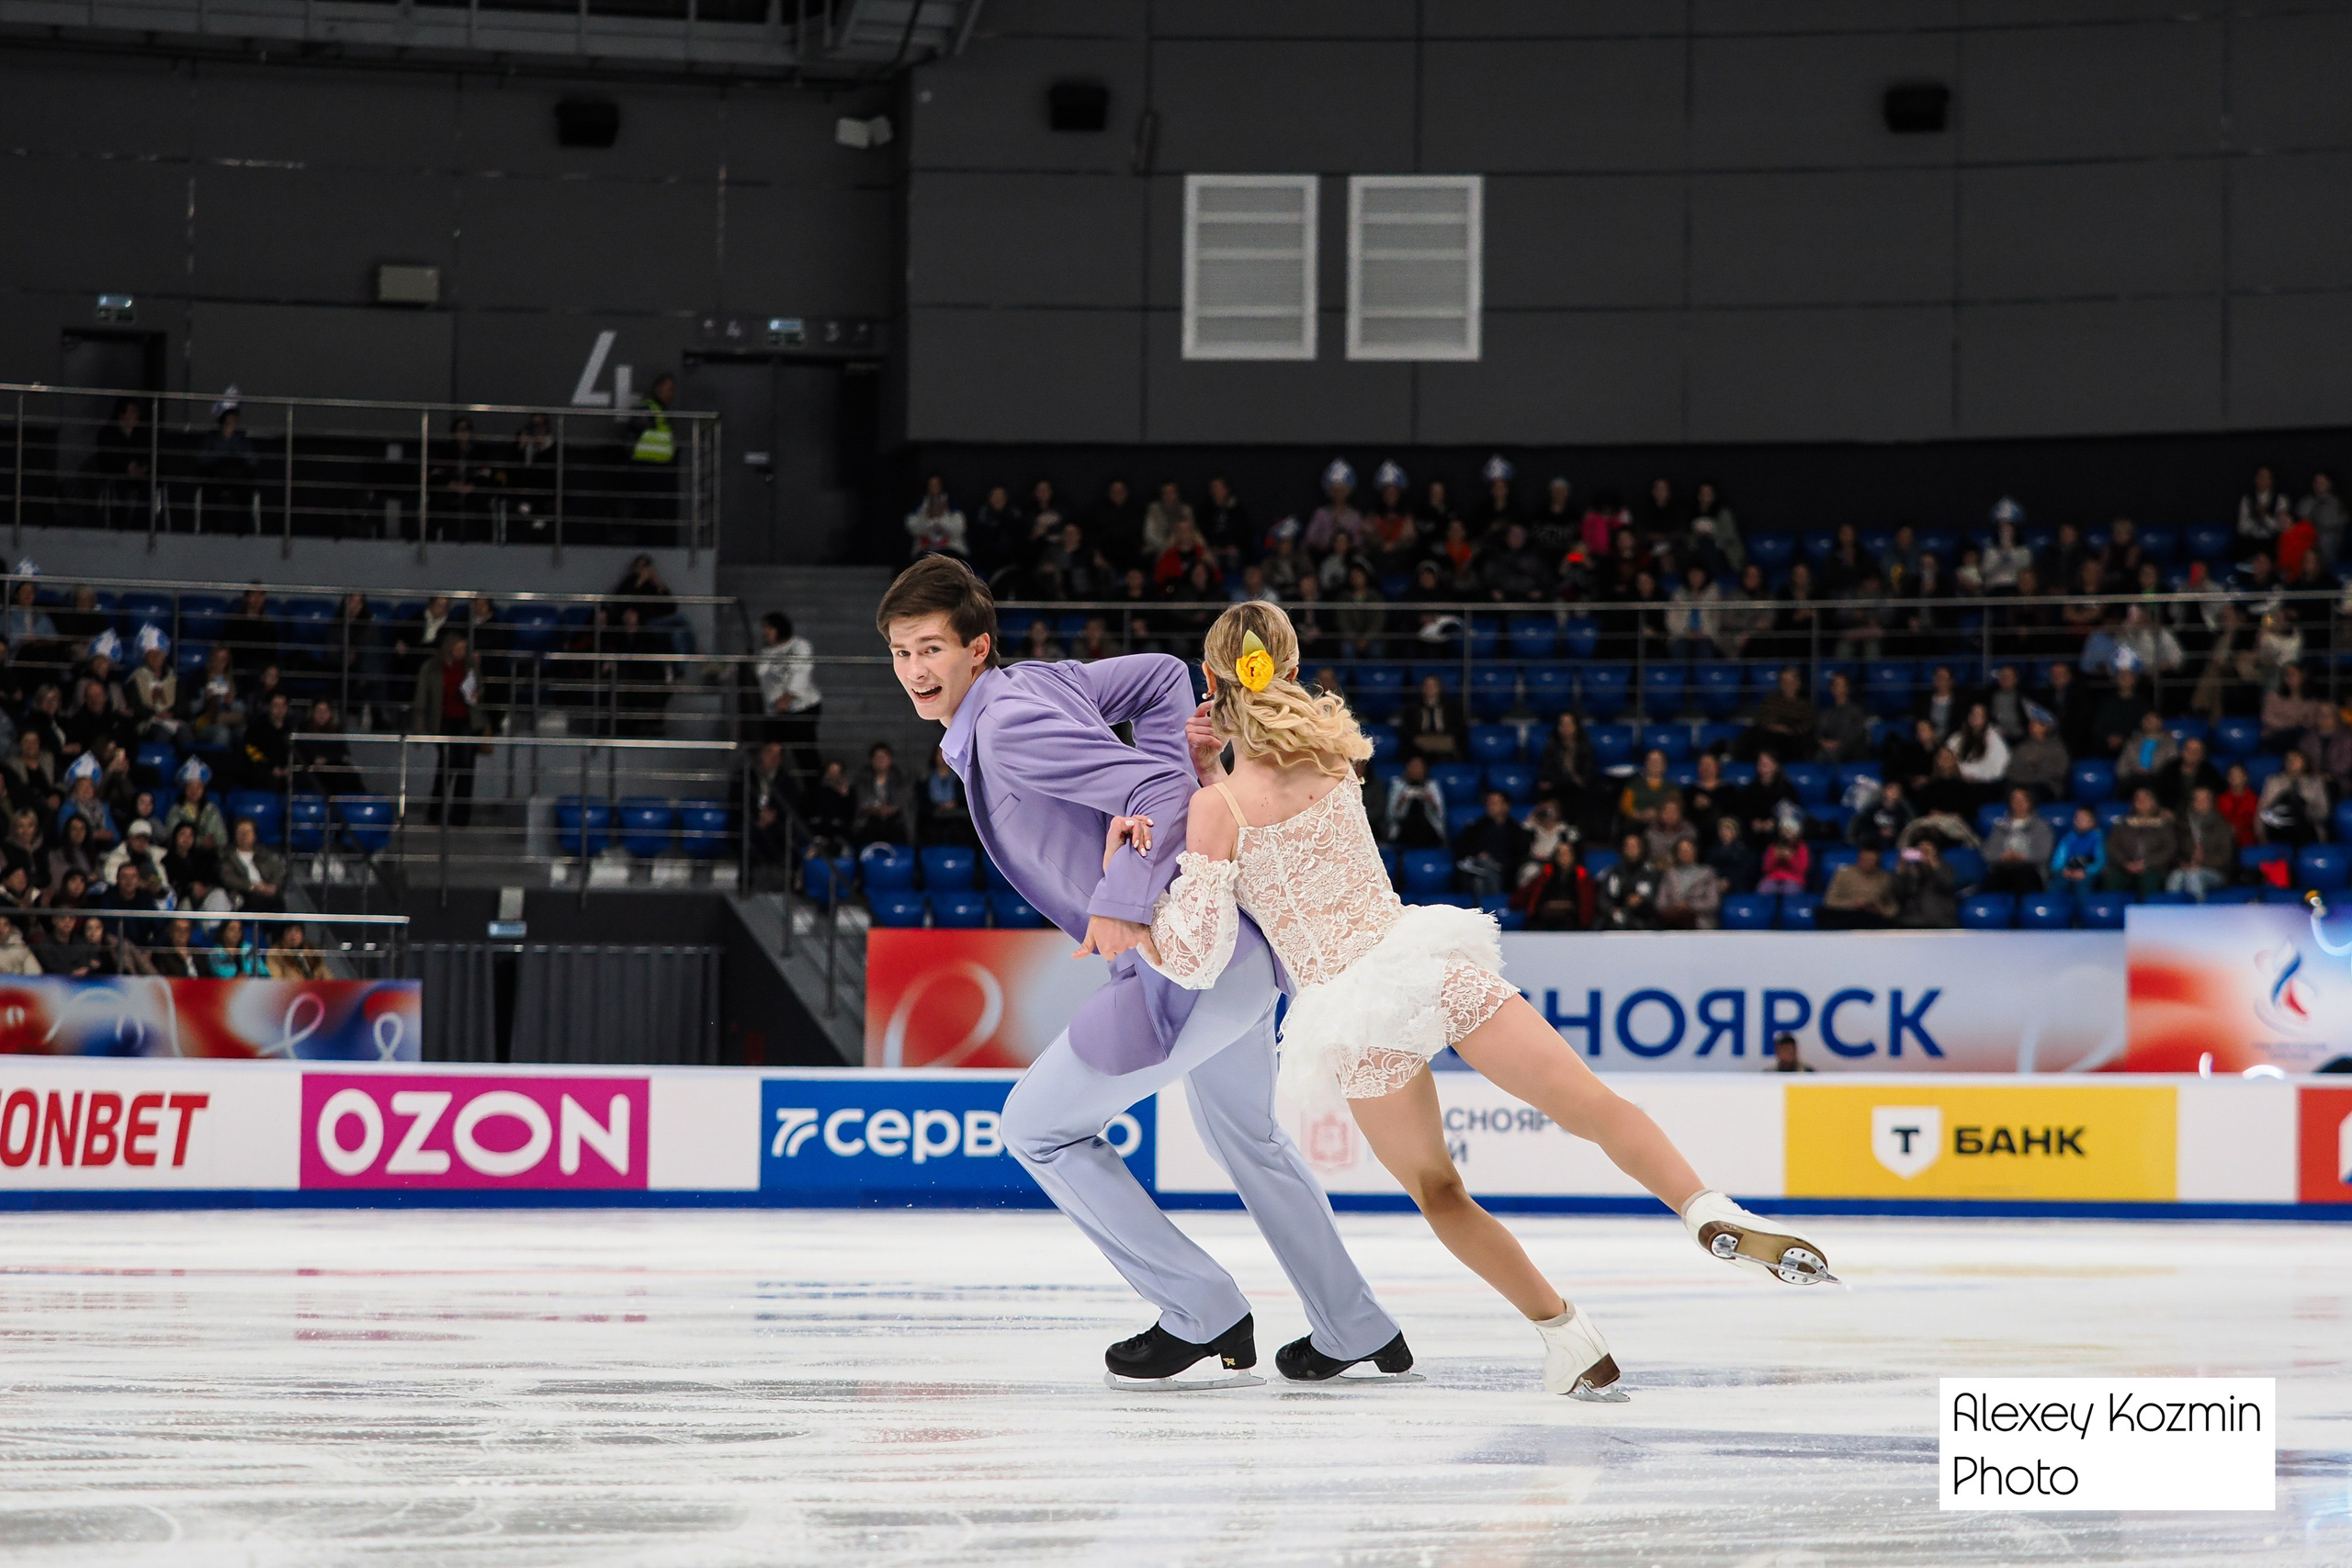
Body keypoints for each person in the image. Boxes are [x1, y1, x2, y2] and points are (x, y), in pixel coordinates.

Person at [1110, 601, 1833, 1398]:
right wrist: (1221, 753)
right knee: (1589, 1101)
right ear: (1290, 665)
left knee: (1440, 1189)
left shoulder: (1215, 807)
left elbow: (1201, 951)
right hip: (1420, 958)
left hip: (1350, 1012)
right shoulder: (1335, 758)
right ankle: (1704, 1206)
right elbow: (1277, 765)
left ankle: (1566, 1333)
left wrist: (1134, 924)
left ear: (1209, 681)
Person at [879, 558, 1411, 1393]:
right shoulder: (1041, 684)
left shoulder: (1009, 720)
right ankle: (1355, 1323)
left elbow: (1156, 788)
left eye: (932, 649)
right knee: (1249, 1135)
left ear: (977, 648)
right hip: (1237, 955)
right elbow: (1166, 678)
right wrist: (1169, 760)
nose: (916, 670)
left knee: (1034, 1126)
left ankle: (1201, 1310)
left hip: (1188, 962)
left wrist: (1124, 896)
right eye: (903, 651)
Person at [411, 630, 489, 829]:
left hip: (466, 720)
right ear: (449, 649)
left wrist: (477, 690)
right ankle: (435, 811)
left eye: (464, 648)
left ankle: (461, 817)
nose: (463, 652)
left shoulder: (469, 665)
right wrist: (418, 731)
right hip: (443, 721)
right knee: (447, 764)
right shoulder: (431, 668)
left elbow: (480, 686)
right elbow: (421, 699)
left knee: (466, 766)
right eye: (459, 648)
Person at [755, 611, 824, 781]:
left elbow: (800, 673)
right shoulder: (767, 653)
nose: (765, 632)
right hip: (775, 711)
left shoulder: (800, 646)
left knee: (804, 754)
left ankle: (814, 791)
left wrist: (786, 698)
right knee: (771, 751)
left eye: (768, 627)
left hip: (802, 708)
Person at [1453, 789, 1531, 897]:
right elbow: (1461, 848)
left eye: (1494, 803)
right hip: (1475, 868)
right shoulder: (1477, 827)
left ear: (1506, 806)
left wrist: (1497, 862)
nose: (1490, 807)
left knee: (1479, 881)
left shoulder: (1515, 830)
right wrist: (1479, 855)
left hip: (1503, 874)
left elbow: (1519, 856)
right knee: (1479, 873)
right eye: (1488, 803)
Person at [1981, 789, 2052, 895]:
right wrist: (2003, 856)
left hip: (2030, 870)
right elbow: (1988, 853)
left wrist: (2022, 857)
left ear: (2030, 802)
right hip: (2004, 869)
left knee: (2023, 876)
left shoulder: (2041, 827)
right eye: (2015, 799)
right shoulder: (2000, 827)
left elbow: (2043, 854)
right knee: (1994, 880)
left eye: (2022, 800)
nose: (2019, 803)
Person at [2169, 787, 2236, 900]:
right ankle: (2171, 913)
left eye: (2205, 800)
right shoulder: (2183, 825)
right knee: (2176, 876)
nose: (2201, 803)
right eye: (2197, 799)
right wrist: (2183, 863)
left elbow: (2225, 857)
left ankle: (2198, 913)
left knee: (2193, 876)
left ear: (2211, 802)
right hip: (2188, 867)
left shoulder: (2221, 825)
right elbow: (2175, 851)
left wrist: (2203, 862)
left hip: (2215, 871)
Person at [1514, 840, 1592, 931]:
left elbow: (1586, 908)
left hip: (1571, 922)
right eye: (1560, 853)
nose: (1563, 857)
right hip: (1543, 920)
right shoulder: (1544, 877)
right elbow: (1521, 897)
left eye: (1567, 853)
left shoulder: (1582, 880)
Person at [2257, 748, 2328, 849]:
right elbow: (2262, 811)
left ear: (2305, 762)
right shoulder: (2273, 782)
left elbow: (2324, 812)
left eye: (2296, 759)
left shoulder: (2315, 783)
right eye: (2289, 759)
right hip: (2279, 827)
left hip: (2307, 827)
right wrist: (2261, 835)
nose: (2292, 762)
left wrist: (2310, 809)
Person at [1819, 845, 1899, 930]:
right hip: (1846, 913)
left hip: (1872, 916)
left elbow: (1892, 907)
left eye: (1871, 860)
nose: (1867, 863)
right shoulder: (1843, 874)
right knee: (1824, 914)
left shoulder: (1885, 878)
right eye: (1864, 859)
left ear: (1878, 860)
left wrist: (1880, 910)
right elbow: (1829, 901)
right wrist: (1853, 904)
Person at [220, 817, 288, 913]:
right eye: (240, 832)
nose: (244, 836)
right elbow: (228, 878)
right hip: (243, 893)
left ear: (254, 835)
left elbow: (279, 871)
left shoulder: (264, 853)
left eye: (247, 832)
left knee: (277, 901)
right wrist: (253, 886)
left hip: (267, 892)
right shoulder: (227, 856)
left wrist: (272, 886)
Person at [851, 741, 910, 847]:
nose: (881, 760)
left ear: (890, 760)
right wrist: (876, 809)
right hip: (870, 819)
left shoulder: (900, 780)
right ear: (872, 760)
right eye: (878, 757)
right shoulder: (863, 780)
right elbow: (862, 802)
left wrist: (891, 809)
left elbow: (903, 802)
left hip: (893, 820)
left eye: (884, 757)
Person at [1383, 754, 1448, 850]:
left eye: (1419, 766)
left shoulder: (1432, 786)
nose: (1416, 770)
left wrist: (1431, 802)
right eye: (1413, 766)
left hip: (1428, 827)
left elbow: (1441, 815)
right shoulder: (1398, 786)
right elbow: (1390, 816)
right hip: (1403, 828)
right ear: (1407, 769)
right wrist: (1401, 802)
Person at [1657, 837, 1723, 930]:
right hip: (1673, 920)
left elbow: (1713, 903)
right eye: (1682, 850)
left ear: (1695, 852)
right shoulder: (1669, 874)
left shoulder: (1707, 873)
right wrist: (1674, 908)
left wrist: (1689, 906)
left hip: (1699, 920)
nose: (1685, 853)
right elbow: (1660, 903)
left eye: (1688, 850)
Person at [1398, 674, 1466, 762]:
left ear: (1439, 688)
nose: (1430, 688)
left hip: (1445, 746)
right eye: (1427, 686)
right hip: (1419, 749)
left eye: (1433, 686)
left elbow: (1460, 728)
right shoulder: (1412, 709)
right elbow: (1407, 730)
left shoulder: (1453, 708)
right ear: (1422, 688)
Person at [1894, 839, 1960, 928]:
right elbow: (1897, 893)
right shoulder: (1910, 872)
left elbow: (1947, 883)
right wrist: (1901, 869)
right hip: (1912, 922)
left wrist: (1932, 862)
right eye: (1921, 851)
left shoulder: (1945, 869)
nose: (1923, 854)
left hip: (1940, 921)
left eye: (1927, 851)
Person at [2050, 806, 2106, 893]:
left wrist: (2086, 871)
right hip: (2069, 871)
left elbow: (2100, 861)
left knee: (2082, 885)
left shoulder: (2098, 838)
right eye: (2077, 818)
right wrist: (2063, 870)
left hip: (2088, 872)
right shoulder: (2068, 838)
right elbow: (2057, 860)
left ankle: (2084, 906)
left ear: (2092, 822)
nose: (2079, 821)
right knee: (2057, 884)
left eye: (2083, 818)